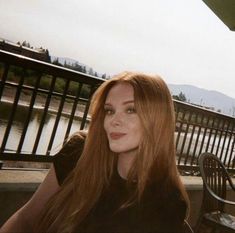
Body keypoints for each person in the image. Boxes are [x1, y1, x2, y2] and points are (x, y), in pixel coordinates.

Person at [0, 71, 190, 233]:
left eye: (131, 110)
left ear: (157, 121)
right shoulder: (80, 151)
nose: (114, 121)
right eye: (109, 111)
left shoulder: (166, 203)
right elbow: (27, 218)